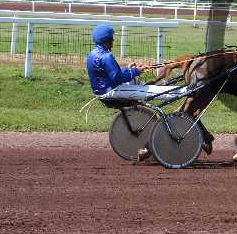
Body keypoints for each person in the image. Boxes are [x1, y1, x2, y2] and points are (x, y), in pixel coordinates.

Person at [87, 24, 214, 156]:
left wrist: (131, 70)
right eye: (112, 38)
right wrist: (136, 71)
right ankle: (187, 91)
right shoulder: (106, 56)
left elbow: (111, 74)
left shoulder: (94, 54)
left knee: (145, 85)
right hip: (112, 91)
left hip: (107, 90)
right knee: (157, 91)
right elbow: (117, 77)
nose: (113, 40)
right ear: (106, 40)